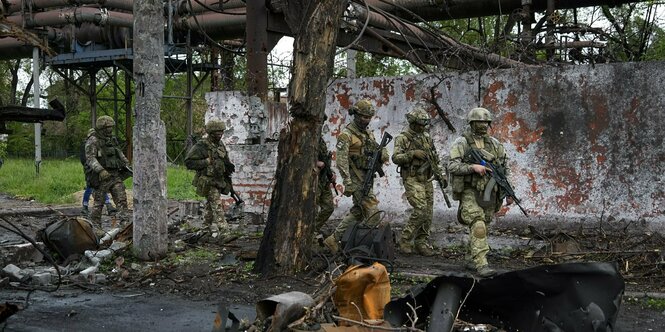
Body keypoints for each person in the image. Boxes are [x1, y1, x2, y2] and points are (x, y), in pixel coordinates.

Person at [448, 107, 514, 277]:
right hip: (471, 191)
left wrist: (509, 192)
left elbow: (505, 169)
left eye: (485, 122)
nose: (482, 125)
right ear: (472, 123)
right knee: (478, 224)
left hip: (490, 191)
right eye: (479, 122)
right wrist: (472, 167)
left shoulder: (495, 144)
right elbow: (452, 165)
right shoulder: (462, 142)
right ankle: (482, 264)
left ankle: (471, 259)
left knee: (485, 222)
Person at [324, 99, 389, 253]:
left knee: (358, 212)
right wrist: (348, 182)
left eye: (369, 117)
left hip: (367, 176)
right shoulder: (346, 135)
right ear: (356, 115)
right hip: (357, 180)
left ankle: (333, 239)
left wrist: (382, 153)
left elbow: (377, 151)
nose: (366, 120)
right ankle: (365, 245)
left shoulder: (367, 133)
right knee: (373, 212)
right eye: (364, 117)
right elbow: (341, 161)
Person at [391, 107, 442, 256]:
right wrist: (412, 154)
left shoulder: (426, 137)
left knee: (428, 212)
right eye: (419, 124)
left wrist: (440, 174)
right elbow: (395, 158)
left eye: (423, 125)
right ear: (412, 123)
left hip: (426, 178)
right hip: (412, 178)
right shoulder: (403, 138)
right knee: (420, 209)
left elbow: (435, 157)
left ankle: (421, 242)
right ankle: (405, 240)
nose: (422, 127)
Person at [184, 119, 235, 239]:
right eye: (217, 132)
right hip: (207, 180)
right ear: (211, 132)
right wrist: (206, 162)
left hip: (219, 179)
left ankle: (205, 229)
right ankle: (224, 232)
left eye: (221, 132)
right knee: (217, 205)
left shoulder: (220, 145)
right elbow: (188, 162)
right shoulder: (201, 146)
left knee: (210, 206)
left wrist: (227, 175)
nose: (220, 134)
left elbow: (225, 162)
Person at [84, 115, 131, 228]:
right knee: (98, 204)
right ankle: (96, 227)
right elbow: (90, 158)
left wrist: (126, 163)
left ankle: (124, 224)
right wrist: (100, 170)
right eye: (108, 128)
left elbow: (119, 152)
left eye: (111, 127)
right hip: (101, 178)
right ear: (102, 128)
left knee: (121, 199)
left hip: (114, 175)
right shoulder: (93, 140)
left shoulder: (111, 139)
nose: (110, 130)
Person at [79, 139, 115, 215]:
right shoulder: (87, 145)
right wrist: (90, 167)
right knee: (89, 187)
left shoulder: (99, 144)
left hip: (99, 168)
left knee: (102, 186)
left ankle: (108, 205)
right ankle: (85, 207)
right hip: (90, 170)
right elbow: (84, 159)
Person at [313, 135, 336, 235]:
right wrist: (315, 163)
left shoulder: (319, 138)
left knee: (329, 207)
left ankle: (314, 228)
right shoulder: (305, 136)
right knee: (312, 208)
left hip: (324, 180)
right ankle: (308, 232)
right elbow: (298, 157)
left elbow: (325, 161)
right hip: (313, 180)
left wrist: (332, 173)